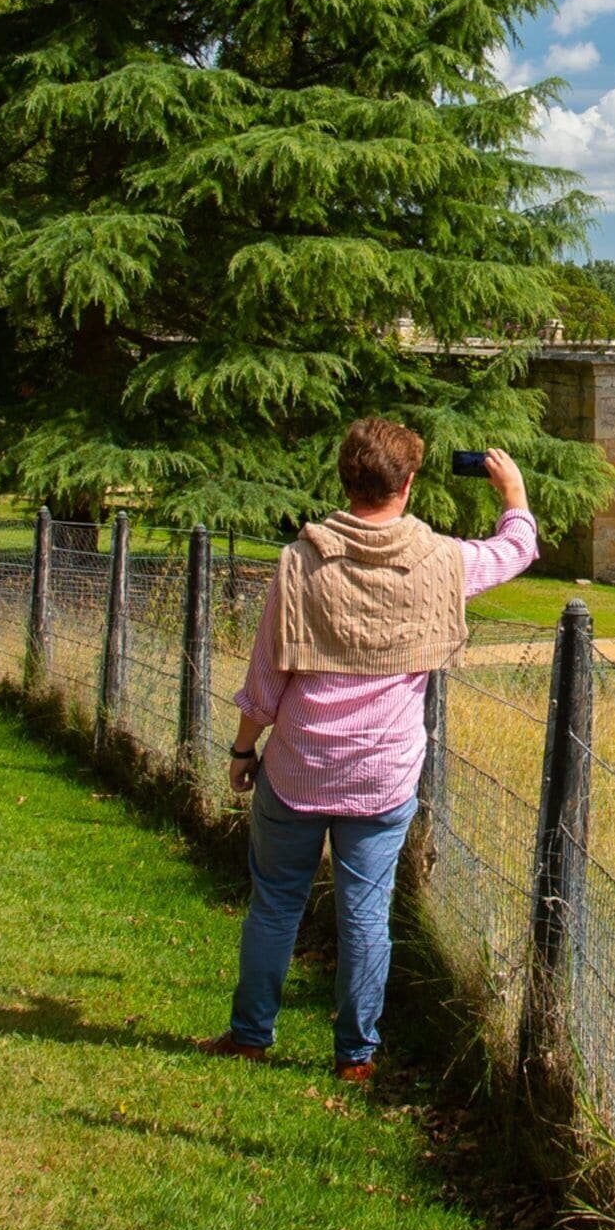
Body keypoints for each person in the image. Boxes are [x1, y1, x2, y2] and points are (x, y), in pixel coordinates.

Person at [210, 420, 535, 1082]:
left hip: (298, 767)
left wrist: (244, 752)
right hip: (382, 776)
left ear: (346, 480)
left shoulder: (300, 560)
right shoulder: (442, 561)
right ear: (408, 484)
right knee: (365, 914)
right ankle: (355, 1056)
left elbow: (267, 675)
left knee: (275, 904)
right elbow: (516, 550)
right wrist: (514, 495)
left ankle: (250, 1037)